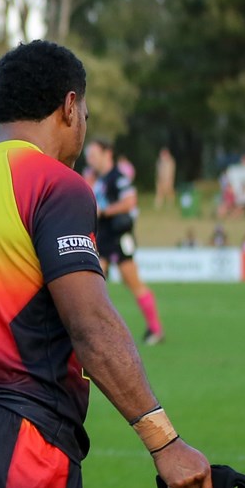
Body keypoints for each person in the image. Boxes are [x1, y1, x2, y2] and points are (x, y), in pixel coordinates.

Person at [0, 39, 210, 488]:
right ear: (69, 107)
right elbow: (91, 325)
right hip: (25, 440)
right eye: (87, 118)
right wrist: (165, 443)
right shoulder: (54, 184)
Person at [85, 138, 164, 345]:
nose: (90, 160)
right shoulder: (97, 179)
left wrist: (105, 211)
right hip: (102, 238)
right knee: (93, 285)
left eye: (93, 155)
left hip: (119, 238)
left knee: (134, 283)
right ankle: (95, 334)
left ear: (107, 154)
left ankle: (155, 329)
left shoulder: (118, 177)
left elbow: (130, 202)